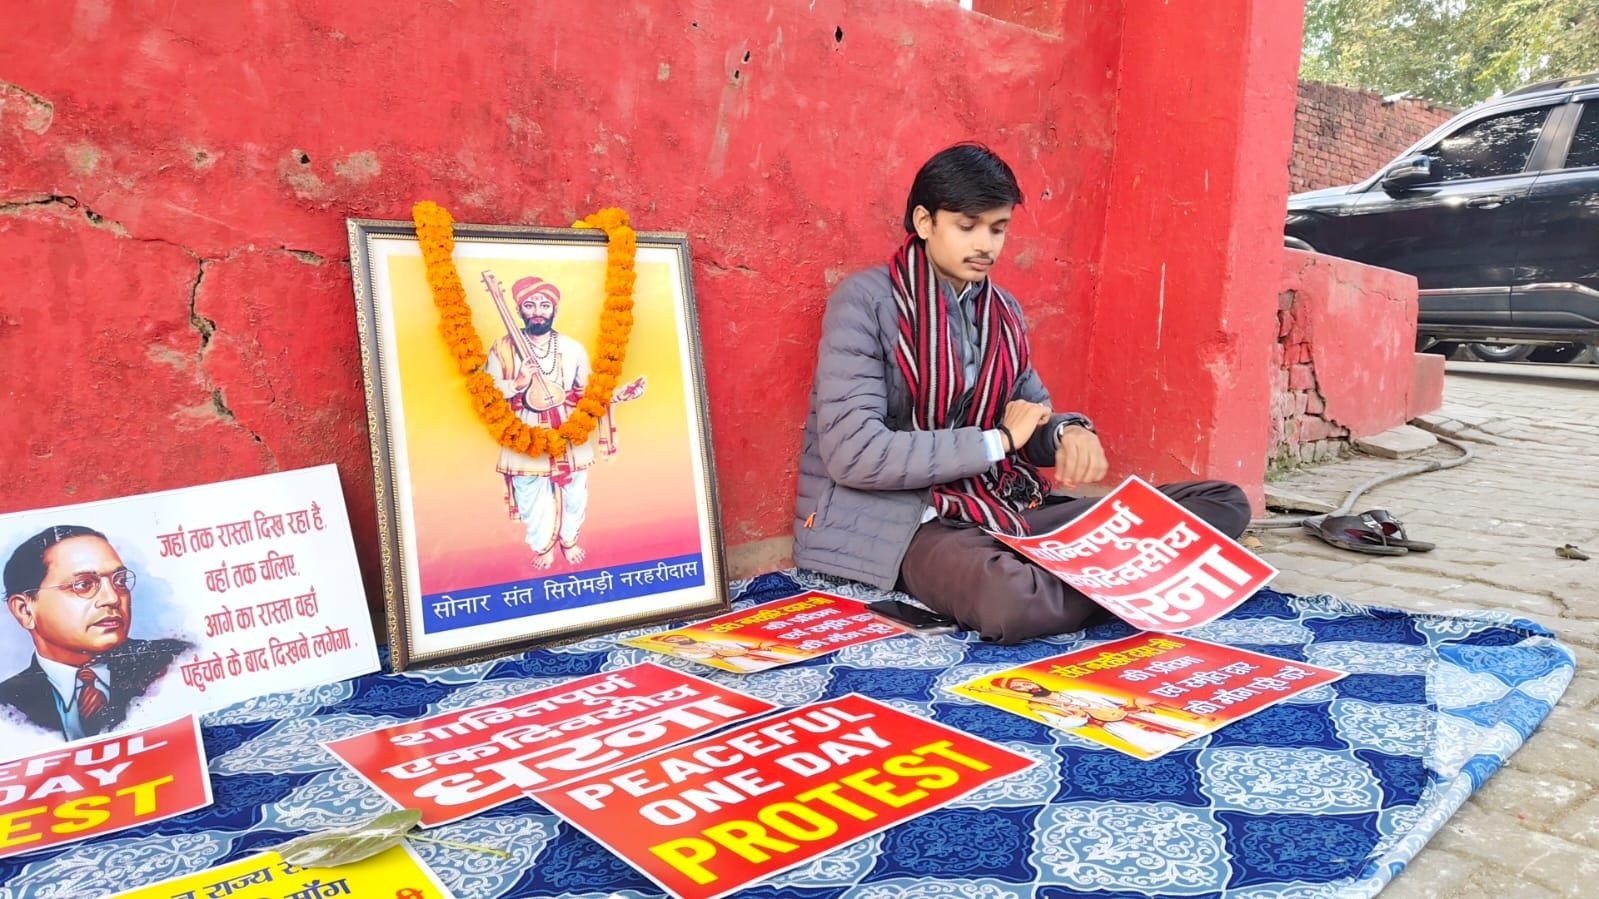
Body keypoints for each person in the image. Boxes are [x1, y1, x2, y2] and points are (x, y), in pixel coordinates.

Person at [793, 142, 1251, 643]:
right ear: (924, 222)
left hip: (997, 502)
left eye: (998, 228)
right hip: (910, 520)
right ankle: (1118, 576)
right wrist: (997, 443)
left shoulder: (1002, 311)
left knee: (1222, 502)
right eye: (967, 226)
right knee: (1012, 602)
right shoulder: (864, 303)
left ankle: (1097, 575)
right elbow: (855, 454)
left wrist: (1068, 433)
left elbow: (1030, 417)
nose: (985, 244)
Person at [485, 275, 643, 570]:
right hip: (525, 431)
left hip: (569, 429)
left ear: (554, 310)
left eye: (544, 305)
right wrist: (520, 381)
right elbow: (489, 392)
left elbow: (588, 395)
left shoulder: (572, 349)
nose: (537, 311)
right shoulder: (503, 348)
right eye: (529, 304)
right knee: (530, 491)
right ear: (519, 310)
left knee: (575, 491)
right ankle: (542, 544)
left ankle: (569, 540)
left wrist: (620, 395)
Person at [1, 525, 189, 740]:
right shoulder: (7, 707)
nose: (112, 598)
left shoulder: (176, 662)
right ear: (25, 610)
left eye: (120, 581)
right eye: (83, 585)